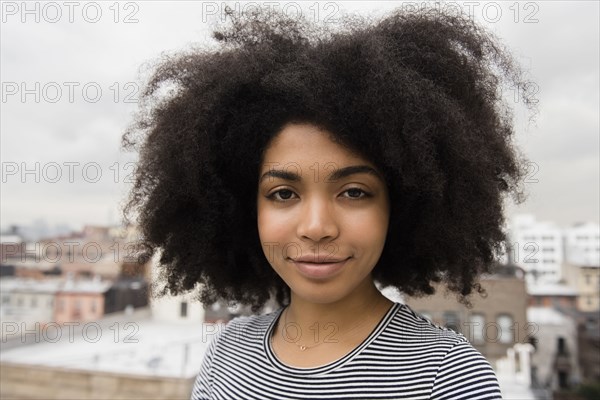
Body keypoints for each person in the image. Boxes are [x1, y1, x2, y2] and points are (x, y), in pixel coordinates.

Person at [123, 5, 535, 399]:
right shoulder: (227, 352)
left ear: (405, 206)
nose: (317, 226)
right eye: (283, 194)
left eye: (354, 192)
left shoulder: (447, 374)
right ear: (242, 209)